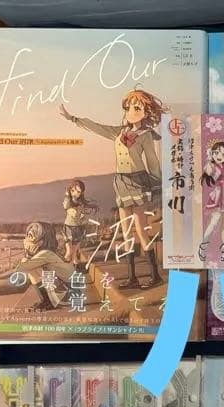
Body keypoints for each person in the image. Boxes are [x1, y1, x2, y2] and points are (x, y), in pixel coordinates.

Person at [59, 88, 166, 290]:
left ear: (146, 112)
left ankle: (155, 276)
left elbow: (152, 161)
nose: (131, 111)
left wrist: (157, 184)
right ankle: (132, 277)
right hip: (121, 183)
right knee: (126, 232)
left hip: (138, 182)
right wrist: (73, 119)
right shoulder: (119, 132)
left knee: (141, 230)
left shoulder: (146, 135)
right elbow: (97, 127)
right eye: (129, 107)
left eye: (137, 108)